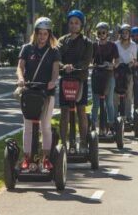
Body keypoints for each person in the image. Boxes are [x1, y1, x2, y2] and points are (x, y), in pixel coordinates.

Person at [16, 17, 60, 172]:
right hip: (29, 92)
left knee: (45, 126)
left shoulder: (53, 51)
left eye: (45, 34)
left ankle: (46, 158)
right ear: (35, 33)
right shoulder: (27, 48)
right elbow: (20, 67)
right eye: (40, 33)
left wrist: (53, 81)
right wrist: (21, 79)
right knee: (27, 126)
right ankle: (27, 158)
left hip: (46, 93)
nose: (42, 37)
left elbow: (55, 70)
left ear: (49, 35)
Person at [57, 9, 93, 152]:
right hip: (65, 80)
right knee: (64, 112)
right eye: (71, 23)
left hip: (80, 80)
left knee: (81, 110)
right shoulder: (62, 41)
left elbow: (86, 60)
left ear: (81, 25)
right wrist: (63, 66)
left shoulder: (87, 42)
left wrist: (74, 67)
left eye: (76, 23)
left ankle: (83, 142)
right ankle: (63, 143)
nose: (73, 25)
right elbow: (57, 58)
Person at [91, 21, 118, 130]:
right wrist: (91, 65)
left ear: (107, 33)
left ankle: (111, 124)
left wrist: (112, 65)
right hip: (96, 76)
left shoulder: (112, 45)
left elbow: (117, 60)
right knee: (95, 103)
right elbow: (89, 60)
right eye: (99, 33)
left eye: (103, 33)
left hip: (109, 76)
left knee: (109, 102)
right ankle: (93, 125)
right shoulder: (93, 46)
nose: (101, 35)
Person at [114, 24, 138, 121]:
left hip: (128, 71)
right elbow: (113, 58)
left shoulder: (133, 45)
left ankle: (128, 115)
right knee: (115, 94)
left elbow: (134, 59)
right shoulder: (116, 44)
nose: (125, 35)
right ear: (121, 34)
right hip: (117, 72)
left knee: (128, 93)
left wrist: (131, 64)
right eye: (123, 33)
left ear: (129, 34)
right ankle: (115, 115)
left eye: (126, 33)